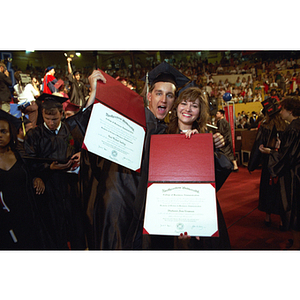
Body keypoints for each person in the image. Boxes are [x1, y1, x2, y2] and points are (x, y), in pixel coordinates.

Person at [80, 63, 225, 250]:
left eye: (170, 95)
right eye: (159, 93)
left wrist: (207, 142)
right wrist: (94, 95)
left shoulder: (168, 133)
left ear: (174, 102)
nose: (163, 99)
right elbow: (89, 132)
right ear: (149, 96)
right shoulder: (128, 119)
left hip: (151, 213)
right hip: (118, 204)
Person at [23, 94, 86, 249]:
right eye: (47, 119)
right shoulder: (34, 135)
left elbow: (83, 149)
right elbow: (28, 163)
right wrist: (47, 169)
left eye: (55, 119)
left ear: (61, 114)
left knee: (75, 226)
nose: (51, 123)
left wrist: (81, 155)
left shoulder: (71, 131)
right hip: (49, 189)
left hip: (71, 188)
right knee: (53, 230)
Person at [0, 109, 48, 249]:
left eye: (4, 131)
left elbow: (32, 172)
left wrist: (36, 178)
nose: (0, 136)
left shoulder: (20, 155)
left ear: (11, 133)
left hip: (26, 214)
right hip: (4, 218)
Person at [259, 96, 300, 249]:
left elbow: (287, 156)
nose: (280, 111)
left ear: (290, 110)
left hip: (295, 174)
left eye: (282, 109)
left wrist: (270, 152)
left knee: (295, 207)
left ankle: (297, 244)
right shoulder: (295, 126)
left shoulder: (294, 128)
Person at [248, 98, 287, 228]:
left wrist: (252, 164)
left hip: (268, 162)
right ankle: (282, 220)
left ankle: (267, 217)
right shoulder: (286, 126)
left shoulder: (265, 126)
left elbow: (258, 146)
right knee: (281, 191)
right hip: (282, 163)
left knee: (267, 189)